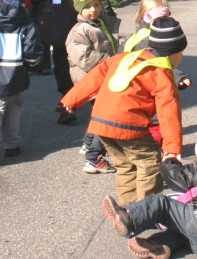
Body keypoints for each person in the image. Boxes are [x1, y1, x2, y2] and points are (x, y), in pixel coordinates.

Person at [59, 17, 187, 206]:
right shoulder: (161, 74)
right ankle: (146, 212)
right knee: (150, 164)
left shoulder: (123, 58)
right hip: (128, 125)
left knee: (125, 166)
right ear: (172, 53)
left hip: (100, 124)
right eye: (181, 53)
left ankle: (127, 210)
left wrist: (71, 100)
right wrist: (172, 148)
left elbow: (93, 78)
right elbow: (169, 113)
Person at [102, 129, 197, 258]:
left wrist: (169, 160)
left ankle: (128, 218)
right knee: (184, 227)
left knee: (162, 203)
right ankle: (161, 245)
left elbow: (171, 174)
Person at [59, 0, 121, 173]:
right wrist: (112, 63)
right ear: (79, 9)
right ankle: (93, 157)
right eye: (87, 7)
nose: (93, 10)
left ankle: (88, 144)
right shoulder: (80, 30)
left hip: (104, 76)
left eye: (96, 5)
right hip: (92, 79)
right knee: (107, 116)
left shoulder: (101, 23)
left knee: (99, 114)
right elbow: (85, 58)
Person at [119, 0, 191, 147]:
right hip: (146, 81)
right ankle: (154, 148)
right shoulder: (149, 38)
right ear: (144, 16)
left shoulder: (138, 33)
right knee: (155, 118)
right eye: (158, 18)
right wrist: (178, 77)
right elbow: (161, 61)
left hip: (131, 79)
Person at [0, 0, 43, 157]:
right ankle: (12, 145)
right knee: (13, 111)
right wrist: (31, 66)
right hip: (16, 75)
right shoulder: (26, 20)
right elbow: (33, 52)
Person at [36, 0, 77, 115]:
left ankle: (70, 96)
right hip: (61, 23)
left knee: (69, 62)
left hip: (73, 21)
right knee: (62, 61)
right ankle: (68, 96)